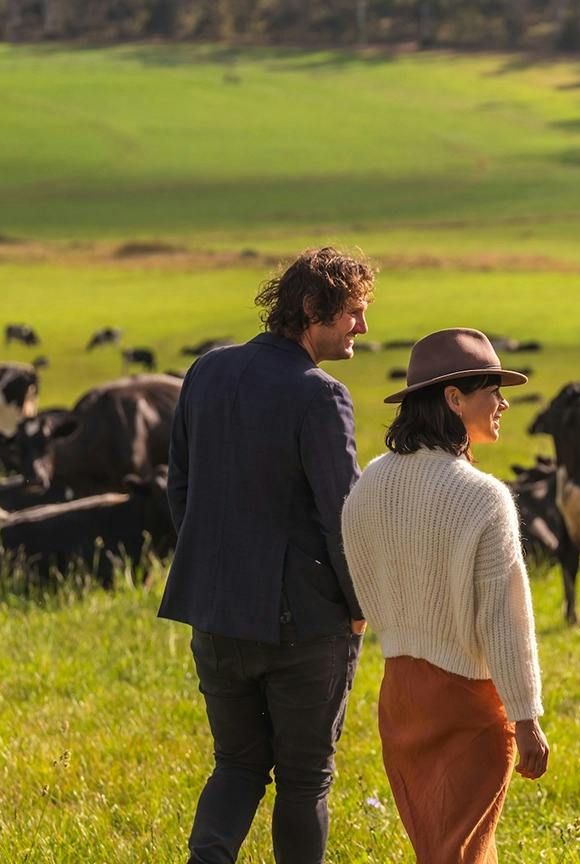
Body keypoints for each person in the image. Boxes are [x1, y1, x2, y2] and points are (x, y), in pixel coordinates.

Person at [158, 246, 376, 864]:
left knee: (237, 766)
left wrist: (213, 570)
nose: (362, 327)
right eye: (354, 313)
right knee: (305, 778)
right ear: (312, 308)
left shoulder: (207, 370)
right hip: (303, 626)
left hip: (215, 613)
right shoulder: (321, 395)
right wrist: (358, 608)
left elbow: (180, 488)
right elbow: (344, 516)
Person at [342, 327, 548, 864]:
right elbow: (505, 623)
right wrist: (526, 719)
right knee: (464, 853)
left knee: (440, 849)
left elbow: (360, 593)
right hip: (466, 702)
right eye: (491, 391)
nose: (503, 402)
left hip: (400, 697)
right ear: (453, 399)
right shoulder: (483, 498)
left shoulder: (367, 485)